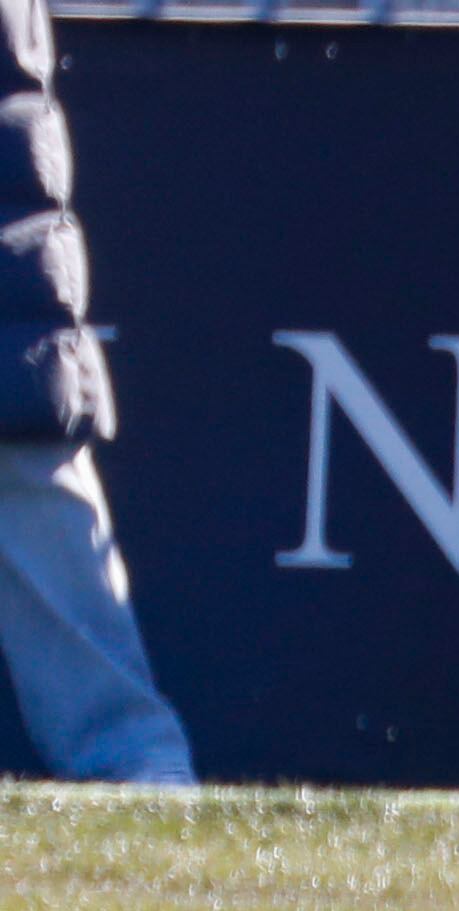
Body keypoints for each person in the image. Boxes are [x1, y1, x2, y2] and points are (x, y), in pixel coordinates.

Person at [0, 0, 192, 786]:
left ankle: (158, 810)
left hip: (16, 346)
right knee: (116, 728)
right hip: (20, 337)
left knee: (116, 731)